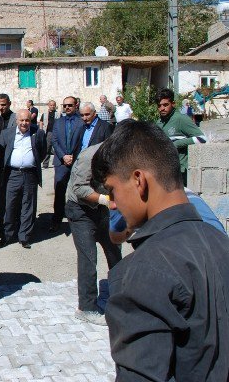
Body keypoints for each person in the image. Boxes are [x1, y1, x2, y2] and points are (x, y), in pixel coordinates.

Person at [91, 120, 229, 381]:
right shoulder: (222, 243)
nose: (113, 203)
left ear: (139, 180)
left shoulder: (140, 273)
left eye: (112, 191)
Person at [65, 143, 122, 325]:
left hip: (102, 209)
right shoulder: (90, 156)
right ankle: (87, 308)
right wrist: (106, 200)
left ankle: (122, 296)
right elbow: (79, 189)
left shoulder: (122, 153)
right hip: (80, 209)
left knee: (114, 251)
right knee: (88, 257)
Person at [0, 109, 47, 249]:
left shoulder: (38, 133)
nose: (24, 123)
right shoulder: (7, 134)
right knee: (9, 206)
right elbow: (1, 154)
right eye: (21, 120)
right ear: (16, 121)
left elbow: (42, 152)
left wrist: (30, 163)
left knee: (28, 207)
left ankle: (24, 237)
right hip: (12, 175)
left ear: (31, 120)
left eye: (27, 120)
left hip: (30, 175)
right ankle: (8, 235)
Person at [155, 88, 207, 185]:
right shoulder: (159, 122)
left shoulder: (180, 119)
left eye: (165, 105)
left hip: (180, 172)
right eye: (159, 106)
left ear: (173, 104)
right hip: (165, 172)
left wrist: (176, 144)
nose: (162, 108)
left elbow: (202, 138)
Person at [50, 96, 84, 232]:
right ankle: (56, 219)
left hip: (77, 162)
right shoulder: (58, 122)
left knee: (78, 191)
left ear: (76, 105)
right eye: (64, 106)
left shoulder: (81, 122)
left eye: (70, 105)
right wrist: (63, 156)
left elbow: (82, 142)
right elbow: (54, 140)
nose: (67, 108)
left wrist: (73, 157)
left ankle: (79, 220)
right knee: (59, 191)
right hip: (61, 161)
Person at [0, 93, 17, 242]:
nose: (1, 107)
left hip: (12, 164)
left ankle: (12, 227)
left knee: (11, 199)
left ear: (9, 104)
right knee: (0, 198)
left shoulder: (16, 119)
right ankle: (1, 226)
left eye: (3, 104)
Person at [38, 99, 60, 168]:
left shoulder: (59, 114)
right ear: (48, 105)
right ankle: (45, 164)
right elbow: (41, 122)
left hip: (57, 133)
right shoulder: (44, 114)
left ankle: (58, 163)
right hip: (48, 133)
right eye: (51, 105)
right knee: (47, 148)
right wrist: (41, 131)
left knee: (57, 148)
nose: (52, 106)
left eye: (54, 105)